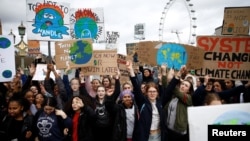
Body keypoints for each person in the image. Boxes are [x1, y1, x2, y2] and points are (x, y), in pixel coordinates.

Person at [127, 61, 177, 141]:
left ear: (157, 93)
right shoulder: (142, 102)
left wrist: (177, 76)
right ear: (146, 93)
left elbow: (170, 89)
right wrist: (131, 71)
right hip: (145, 136)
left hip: (158, 135)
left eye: (154, 91)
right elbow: (136, 87)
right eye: (150, 91)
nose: (152, 93)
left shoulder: (160, 102)